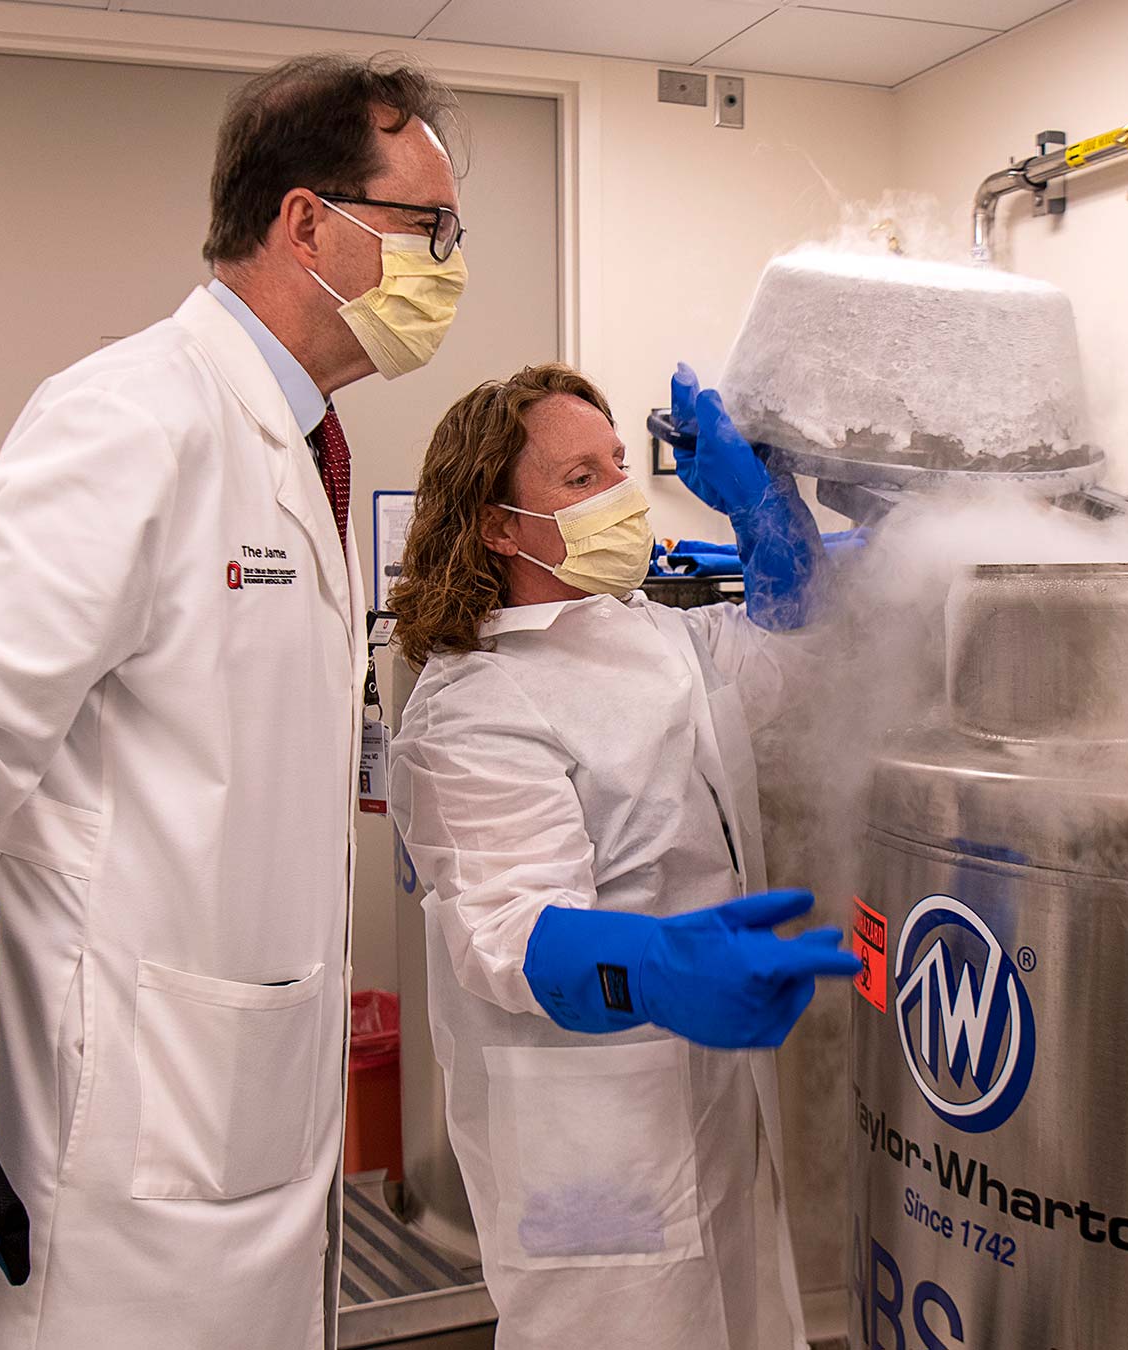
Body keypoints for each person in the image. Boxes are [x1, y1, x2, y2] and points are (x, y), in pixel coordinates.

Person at [0, 55, 467, 1349]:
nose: (449, 263)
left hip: (229, 1100)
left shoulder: (295, 441)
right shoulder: (141, 415)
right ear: (307, 220)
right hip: (117, 1130)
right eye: (429, 226)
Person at [386, 362, 858, 1349]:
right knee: (613, 1329)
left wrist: (765, 507)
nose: (618, 493)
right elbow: (506, 936)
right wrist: (659, 966)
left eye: (616, 465)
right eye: (579, 478)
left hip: (704, 1086)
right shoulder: (477, 703)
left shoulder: (642, 632)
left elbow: (793, 650)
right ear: (497, 523)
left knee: (736, 1318)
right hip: (587, 1122)